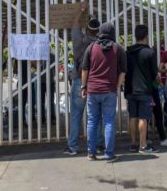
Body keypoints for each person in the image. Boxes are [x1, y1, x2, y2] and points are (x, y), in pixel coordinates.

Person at [81, 22, 126, 162]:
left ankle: (91, 153)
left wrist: (84, 87)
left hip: (93, 90)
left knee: (92, 121)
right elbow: (123, 71)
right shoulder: (118, 48)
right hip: (109, 90)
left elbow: (85, 69)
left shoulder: (91, 47)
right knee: (109, 122)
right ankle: (109, 154)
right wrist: (117, 86)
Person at [64, 12, 101, 156]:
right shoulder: (100, 44)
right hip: (96, 81)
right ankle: (98, 145)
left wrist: (80, 13)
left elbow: (74, 27)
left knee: (76, 115)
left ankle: (73, 146)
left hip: (80, 80)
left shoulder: (80, 41)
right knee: (96, 116)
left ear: (86, 28)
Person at [124, 24, 158, 154]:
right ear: (146, 36)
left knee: (133, 117)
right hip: (145, 90)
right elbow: (155, 73)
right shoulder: (150, 53)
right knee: (143, 118)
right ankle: (143, 146)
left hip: (130, 89)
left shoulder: (128, 53)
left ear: (135, 36)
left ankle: (133, 144)